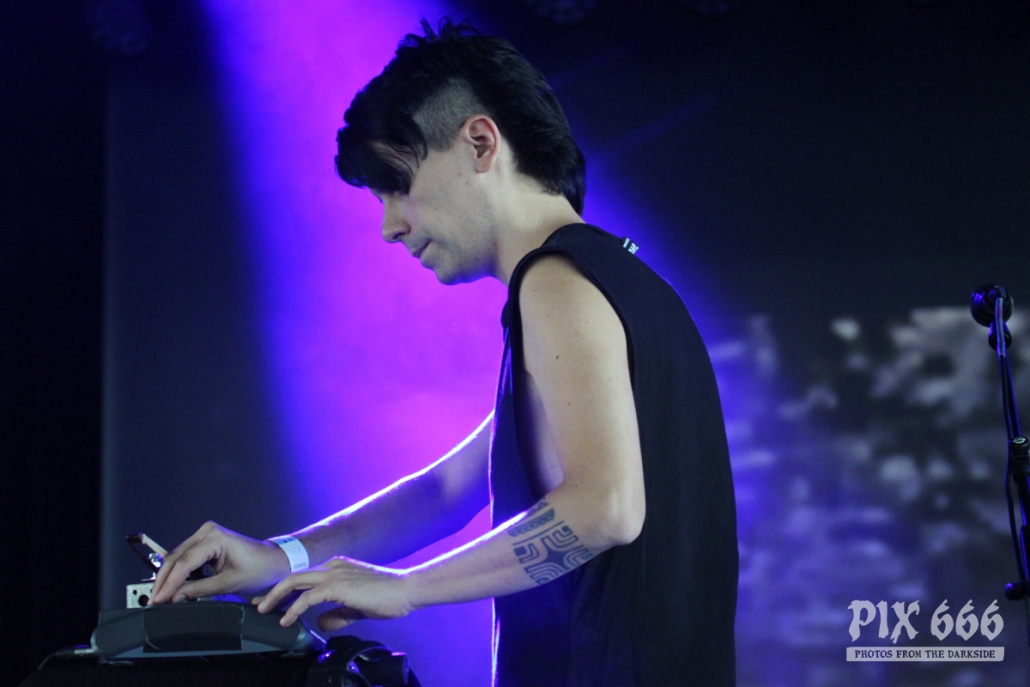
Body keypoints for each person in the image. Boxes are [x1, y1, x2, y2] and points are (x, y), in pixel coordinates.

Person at [150, 18, 737, 686]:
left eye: (398, 184)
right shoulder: (621, 282)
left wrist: (406, 588)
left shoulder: (556, 282)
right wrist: (280, 556)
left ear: (480, 143)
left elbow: (604, 506)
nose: (389, 226)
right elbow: (447, 490)